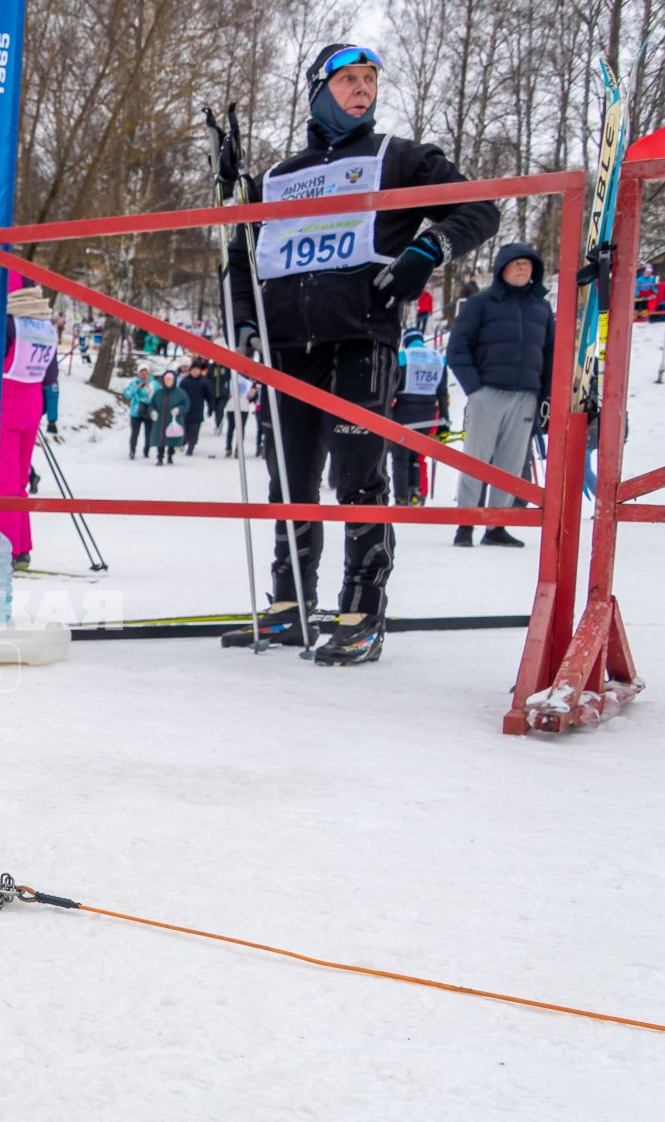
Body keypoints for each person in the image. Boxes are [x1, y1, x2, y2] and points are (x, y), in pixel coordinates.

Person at [222, 42, 499, 662]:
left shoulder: (396, 158)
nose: (362, 90)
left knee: (355, 477)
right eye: (348, 79)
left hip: (361, 339)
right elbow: (240, 256)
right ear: (318, 90)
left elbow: (481, 205)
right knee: (288, 480)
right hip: (288, 348)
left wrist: (429, 251)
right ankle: (290, 604)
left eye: (369, 79)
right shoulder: (277, 178)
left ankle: (361, 609)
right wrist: (243, 321)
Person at [446, 242, 553, 547]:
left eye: (528, 263)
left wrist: (545, 396)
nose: (523, 268)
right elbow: (457, 348)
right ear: (502, 268)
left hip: (526, 396)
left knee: (511, 463)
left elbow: (551, 354)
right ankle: (465, 525)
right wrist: (475, 390)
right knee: (476, 460)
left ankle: (496, 526)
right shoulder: (481, 303)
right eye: (517, 263)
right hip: (488, 392)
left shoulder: (542, 309)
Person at [0, 272, 61, 569]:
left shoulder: (6, 320)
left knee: (4, 481)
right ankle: (22, 547)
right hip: (31, 402)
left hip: (5, 403)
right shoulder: (43, 323)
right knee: (20, 480)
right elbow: (51, 374)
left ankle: (6, 550)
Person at [388, 329, 450, 505]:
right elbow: (442, 393)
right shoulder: (438, 359)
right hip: (429, 415)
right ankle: (415, 494)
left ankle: (401, 498)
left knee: (400, 457)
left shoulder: (403, 357)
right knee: (416, 456)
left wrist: (386, 412)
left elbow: (393, 388)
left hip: (404, 415)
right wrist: (445, 420)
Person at [151, 369, 189, 465]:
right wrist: (152, 412)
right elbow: (152, 404)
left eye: (170, 380)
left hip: (173, 420)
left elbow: (186, 404)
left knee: (172, 438)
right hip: (160, 421)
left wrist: (179, 409)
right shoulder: (158, 393)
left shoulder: (180, 393)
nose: (168, 381)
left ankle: (170, 455)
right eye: (166, 380)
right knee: (160, 439)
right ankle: (160, 457)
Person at [181, 358, 217, 456]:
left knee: (195, 430)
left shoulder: (204, 382)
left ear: (200, 371)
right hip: (186, 410)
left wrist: (211, 408)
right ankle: (184, 442)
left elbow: (209, 396)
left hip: (198, 410)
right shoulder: (185, 381)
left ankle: (191, 447)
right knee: (186, 429)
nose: (195, 372)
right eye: (193, 370)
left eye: (197, 370)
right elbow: (179, 395)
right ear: (190, 370)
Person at [124, 367, 156, 459]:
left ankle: (146, 451)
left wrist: (150, 388)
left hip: (148, 411)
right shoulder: (134, 383)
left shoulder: (153, 383)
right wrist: (136, 388)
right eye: (142, 373)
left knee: (148, 433)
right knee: (134, 433)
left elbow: (157, 395)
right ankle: (132, 451)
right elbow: (127, 394)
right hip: (136, 412)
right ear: (138, 374)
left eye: (145, 373)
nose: (144, 375)